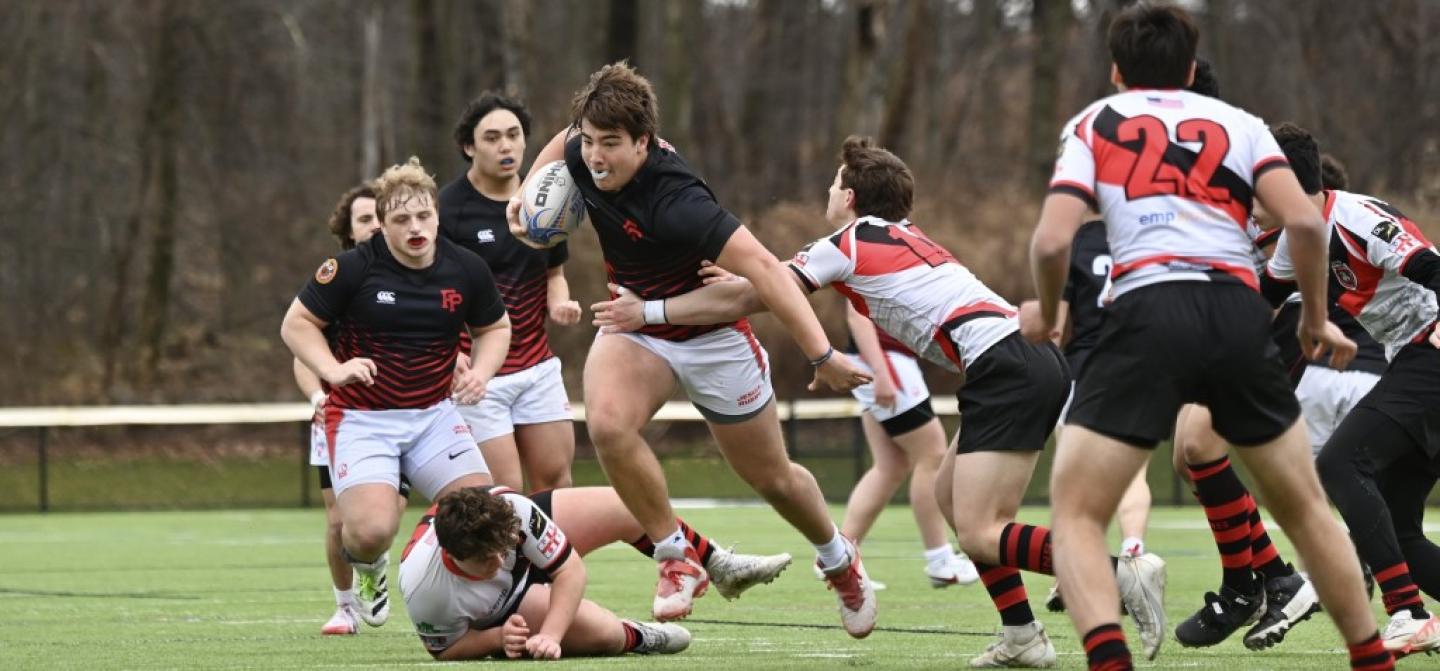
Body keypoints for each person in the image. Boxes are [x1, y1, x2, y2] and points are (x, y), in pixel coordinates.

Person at [593, 136, 1163, 669]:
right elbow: (761, 284)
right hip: (1018, 361)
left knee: (983, 531)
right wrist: (737, 285)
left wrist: (648, 313)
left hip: (1006, 368)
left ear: (848, 195)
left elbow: (757, 292)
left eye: (832, 184)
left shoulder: (846, 242)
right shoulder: (897, 236)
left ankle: (1120, 573)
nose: (827, 194)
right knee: (946, 493)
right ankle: (1022, 635)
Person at [1026, 5, 1388, 670]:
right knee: (1307, 507)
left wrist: (1050, 311)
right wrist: (1313, 316)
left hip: (1145, 312)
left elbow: (1052, 239)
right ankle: (1370, 655)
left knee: (1076, 513)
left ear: (1115, 71)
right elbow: (1306, 224)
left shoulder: (1094, 123)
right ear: (1191, 70)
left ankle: (1112, 659)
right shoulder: (1243, 125)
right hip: (1235, 312)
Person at [504, 62, 872, 635]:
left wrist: (822, 355)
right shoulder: (583, 150)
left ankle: (837, 557)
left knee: (771, 477)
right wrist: (530, 185)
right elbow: (565, 138)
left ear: (644, 143)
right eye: (592, 142)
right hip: (635, 325)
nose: (596, 157)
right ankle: (676, 557)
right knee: (606, 424)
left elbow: (769, 274)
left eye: (612, 145)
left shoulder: (680, 201)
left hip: (712, 336)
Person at [281, 157, 509, 629]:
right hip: (363, 418)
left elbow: (495, 327)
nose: (415, 227)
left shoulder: (465, 268)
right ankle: (369, 570)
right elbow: (296, 324)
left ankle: (475, 608)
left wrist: (482, 372)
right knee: (368, 532)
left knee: (485, 517)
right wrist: (333, 368)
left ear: (437, 215)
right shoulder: (351, 268)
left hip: (433, 415)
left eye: (424, 215)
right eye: (401, 219)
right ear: (381, 224)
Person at [1261, 122, 1440, 657]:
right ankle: (1411, 610)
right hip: (1411, 362)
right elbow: (1260, 298)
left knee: (1340, 463)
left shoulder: (1357, 217)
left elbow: (1432, 267)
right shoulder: (1299, 237)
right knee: (1396, 525)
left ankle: (1408, 613)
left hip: (1429, 356)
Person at [400, 484, 792, 660]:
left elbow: (569, 570)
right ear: (455, 557)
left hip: (520, 536)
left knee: (626, 506)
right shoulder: (425, 589)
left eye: (507, 547)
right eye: (489, 560)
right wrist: (497, 638)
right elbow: (446, 649)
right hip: (506, 605)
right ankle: (640, 635)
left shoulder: (512, 512)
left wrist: (552, 635)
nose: (503, 558)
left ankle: (716, 565)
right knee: (604, 635)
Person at [440, 92, 581, 492]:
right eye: (492, 137)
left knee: (554, 481)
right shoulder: (449, 210)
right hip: (479, 377)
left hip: (537, 369)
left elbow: (555, 273)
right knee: (502, 491)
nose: (506, 145)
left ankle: (553, 558)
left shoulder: (544, 200)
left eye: (514, 134)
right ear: (469, 147)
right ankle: (507, 558)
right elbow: (430, 290)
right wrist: (451, 352)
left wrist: (560, 304)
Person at [292, 183, 413, 635]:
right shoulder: (335, 282)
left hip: (401, 416)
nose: (375, 226)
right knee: (339, 519)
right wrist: (318, 397)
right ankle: (345, 607)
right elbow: (302, 356)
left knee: (382, 521)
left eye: (380, 217)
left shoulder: (418, 275)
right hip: (340, 417)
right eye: (364, 219)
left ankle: (373, 564)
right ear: (348, 230)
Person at [837, 303, 979, 590]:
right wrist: (882, 372)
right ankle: (940, 560)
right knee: (932, 454)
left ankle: (838, 559)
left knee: (890, 466)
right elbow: (857, 313)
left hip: (886, 360)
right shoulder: (866, 258)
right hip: (884, 360)